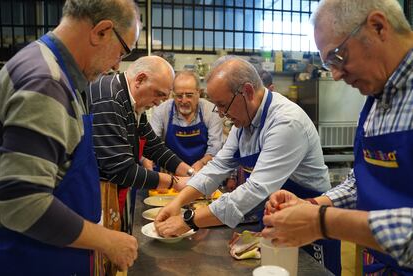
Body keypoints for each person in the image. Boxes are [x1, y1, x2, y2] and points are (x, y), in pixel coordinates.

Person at [261, 0, 413, 274]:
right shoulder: (377, 98)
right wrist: (314, 205)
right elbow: (364, 180)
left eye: (338, 57)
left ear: (378, 27)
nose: (335, 74)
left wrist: (323, 222)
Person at [154, 56, 341, 274]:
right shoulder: (243, 123)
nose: (222, 114)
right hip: (275, 219)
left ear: (248, 92)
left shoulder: (286, 122)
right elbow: (218, 167)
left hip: (310, 224)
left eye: (223, 105)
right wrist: (177, 203)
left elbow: (255, 189)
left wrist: (190, 220)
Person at [0, 0, 139, 274]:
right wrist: (107, 240)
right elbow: (21, 202)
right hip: (31, 260)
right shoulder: (47, 82)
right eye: (122, 52)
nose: (115, 66)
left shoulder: (54, 70)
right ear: (101, 31)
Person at [86, 56, 194, 235]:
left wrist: (191, 174)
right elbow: (120, 170)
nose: (159, 102)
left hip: (115, 190)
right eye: (158, 94)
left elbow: (153, 145)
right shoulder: (110, 99)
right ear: (140, 79)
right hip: (96, 195)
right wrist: (173, 182)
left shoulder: (131, 100)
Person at [149, 70, 223, 171]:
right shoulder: (162, 111)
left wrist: (200, 164)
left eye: (189, 95)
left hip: (201, 172)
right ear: (173, 94)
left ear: (199, 93)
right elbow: (152, 145)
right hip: (169, 172)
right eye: (179, 96)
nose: (184, 101)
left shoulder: (211, 111)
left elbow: (215, 149)